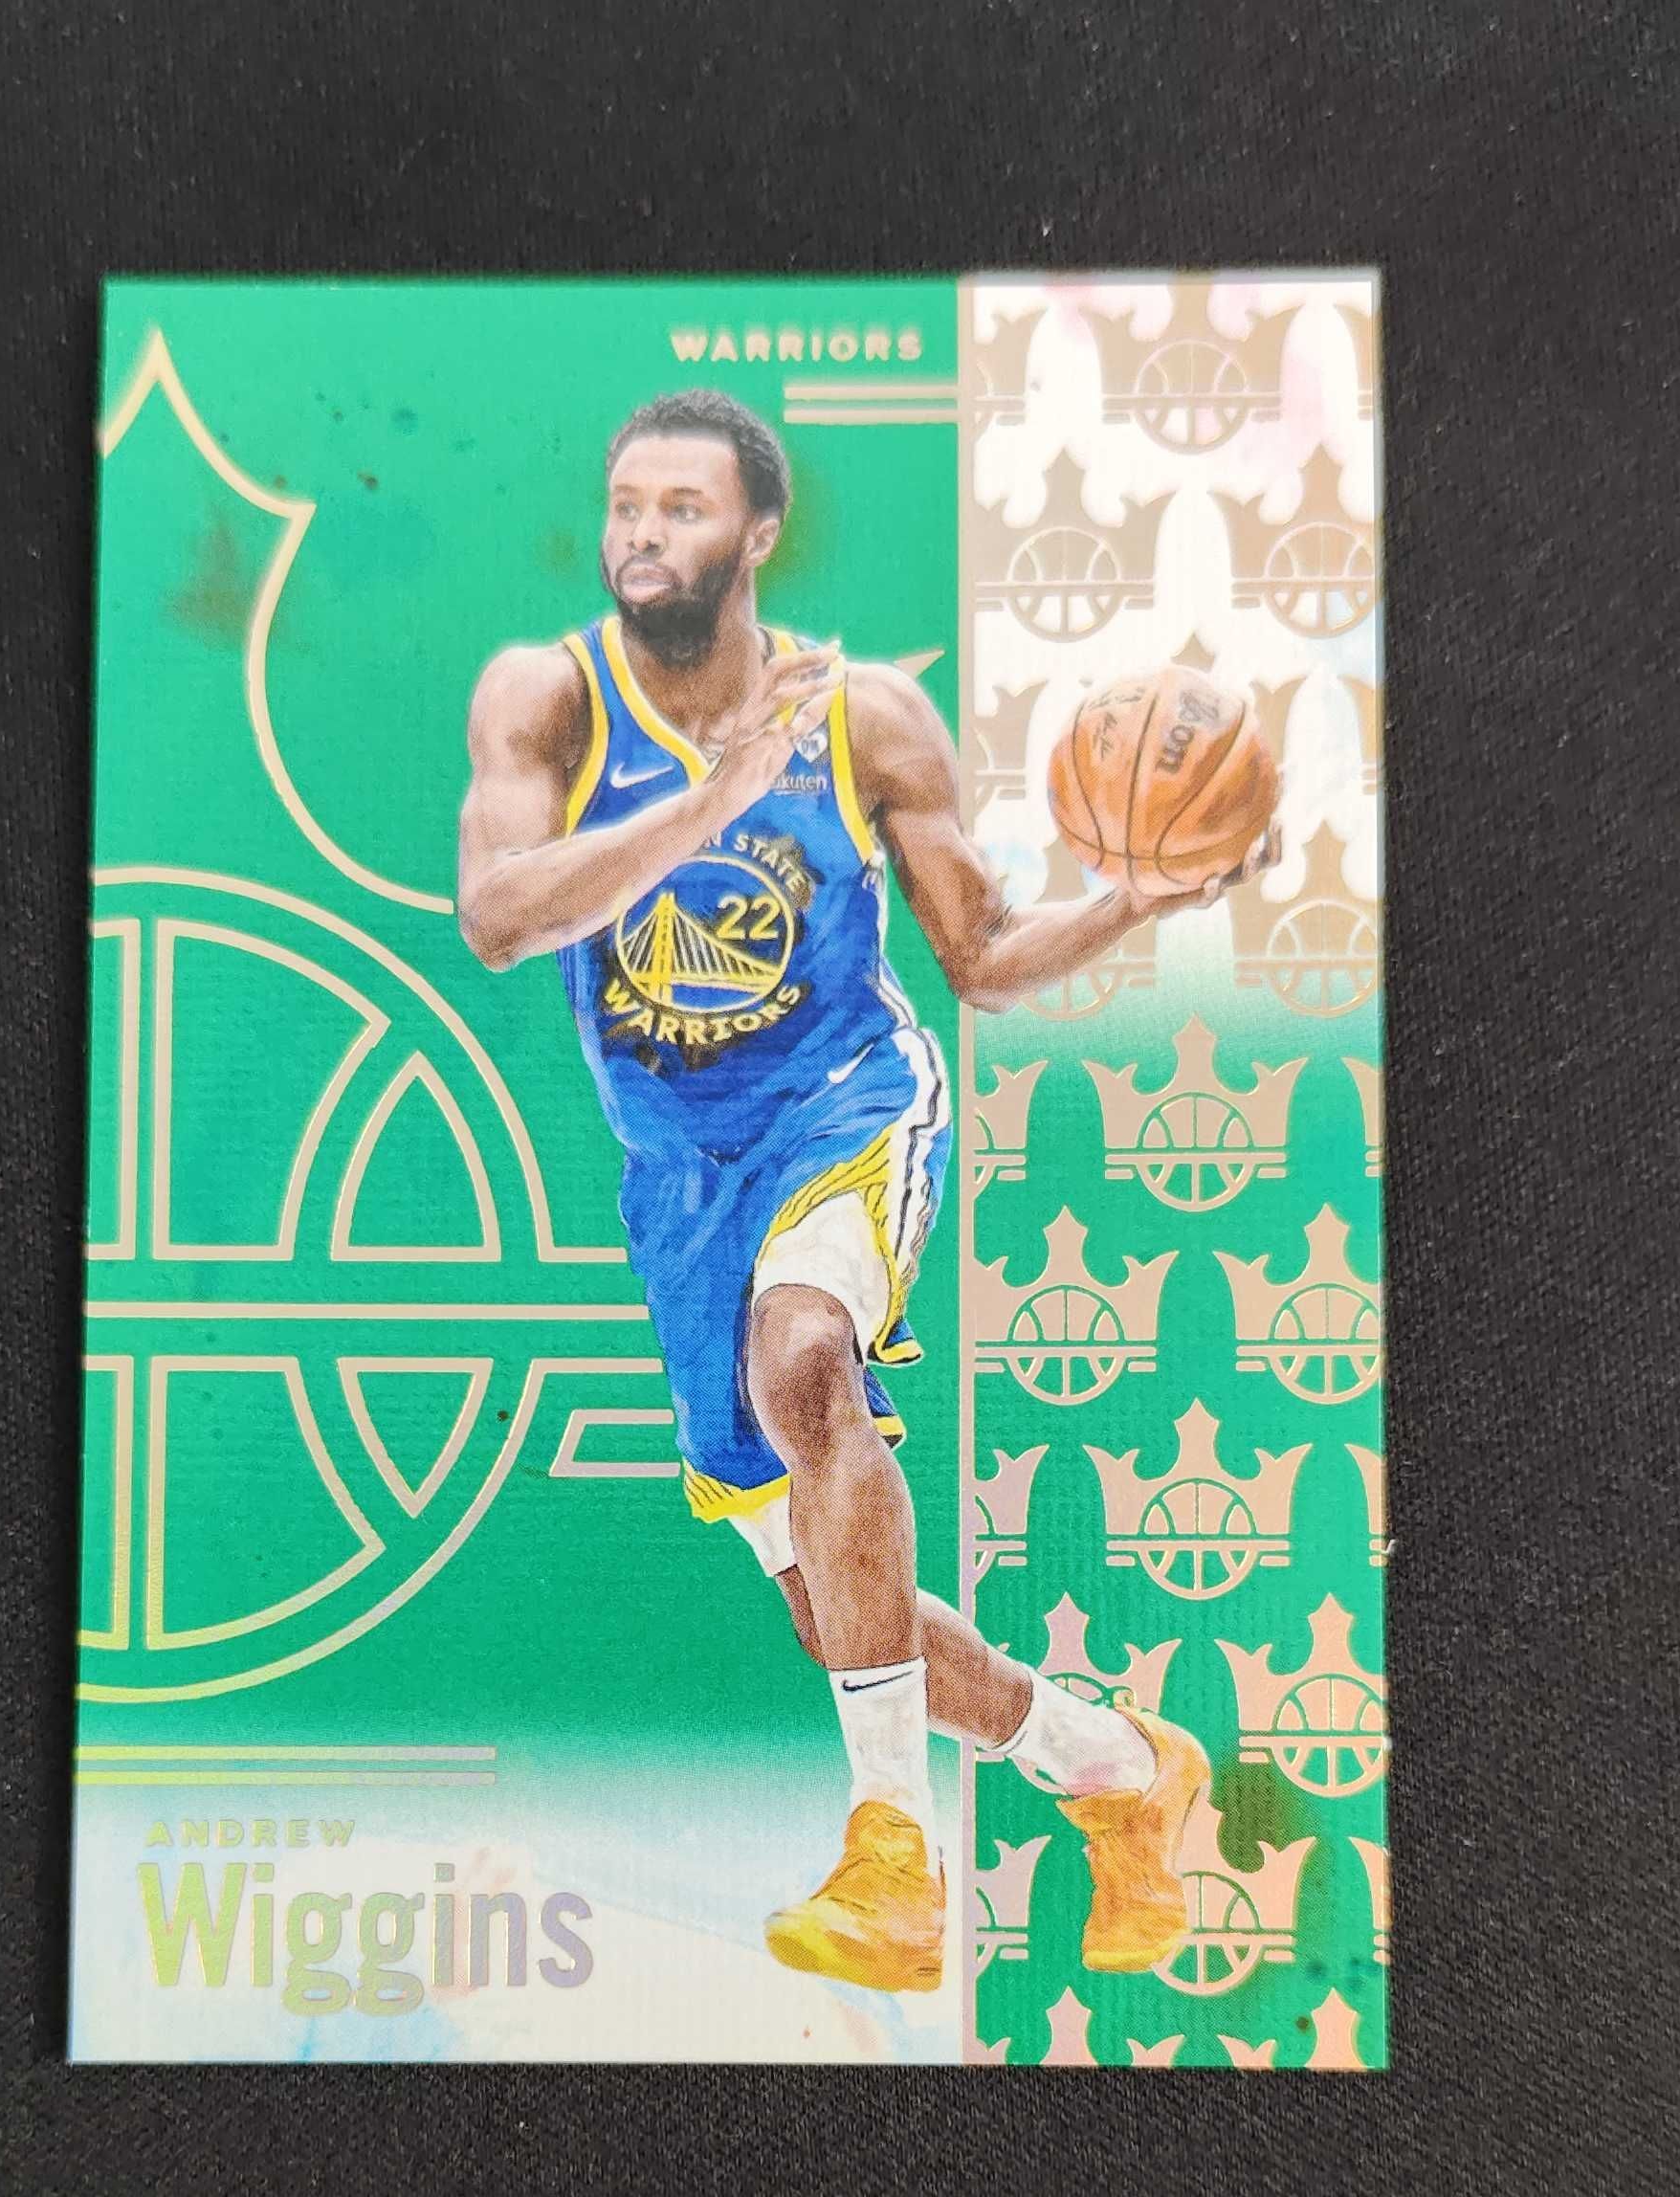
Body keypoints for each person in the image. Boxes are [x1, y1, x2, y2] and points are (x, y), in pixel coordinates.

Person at [455, 388, 1269, 1994]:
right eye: (627, 505)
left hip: (849, 1107)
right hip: (681, 1177)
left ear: (758, 532)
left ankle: (895, 1859)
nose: (643, 534)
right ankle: (1121, 1769)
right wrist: (709, 800)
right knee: (842, 1620)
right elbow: (498, 916)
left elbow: (983, 956)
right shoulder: (545, 696)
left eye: (684, 507)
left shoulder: (866, 718)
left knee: (806, 1356)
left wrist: (1136, 901)